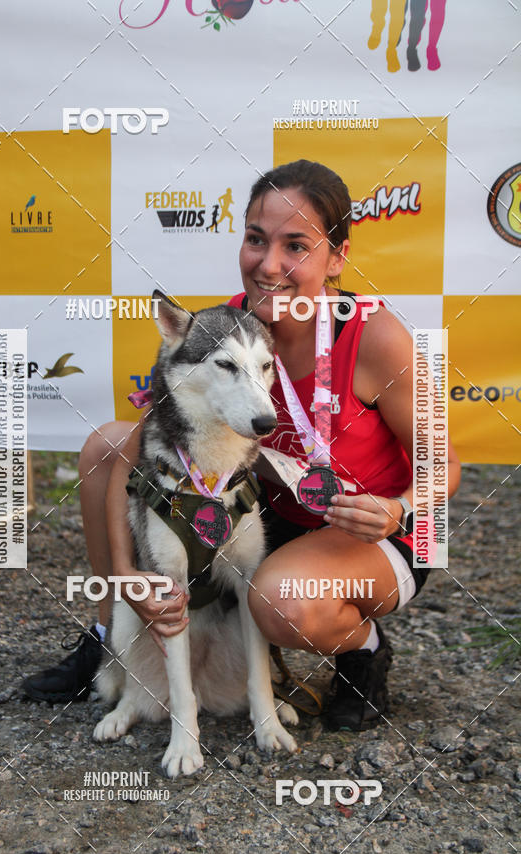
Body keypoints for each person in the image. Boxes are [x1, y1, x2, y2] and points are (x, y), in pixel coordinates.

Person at [23, 159, 461, 732]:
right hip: (273, 514)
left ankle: (363, 649)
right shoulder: (231, 323)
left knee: (284, 600)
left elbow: (444, 462)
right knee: (106, 449)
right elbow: (142, 446)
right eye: (257, 239)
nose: (269, 264)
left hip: (375, 525)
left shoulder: (376, 336)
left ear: (337, 256)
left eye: (296, 245)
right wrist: (128, 575)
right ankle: (109, 638)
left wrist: (397, 508)